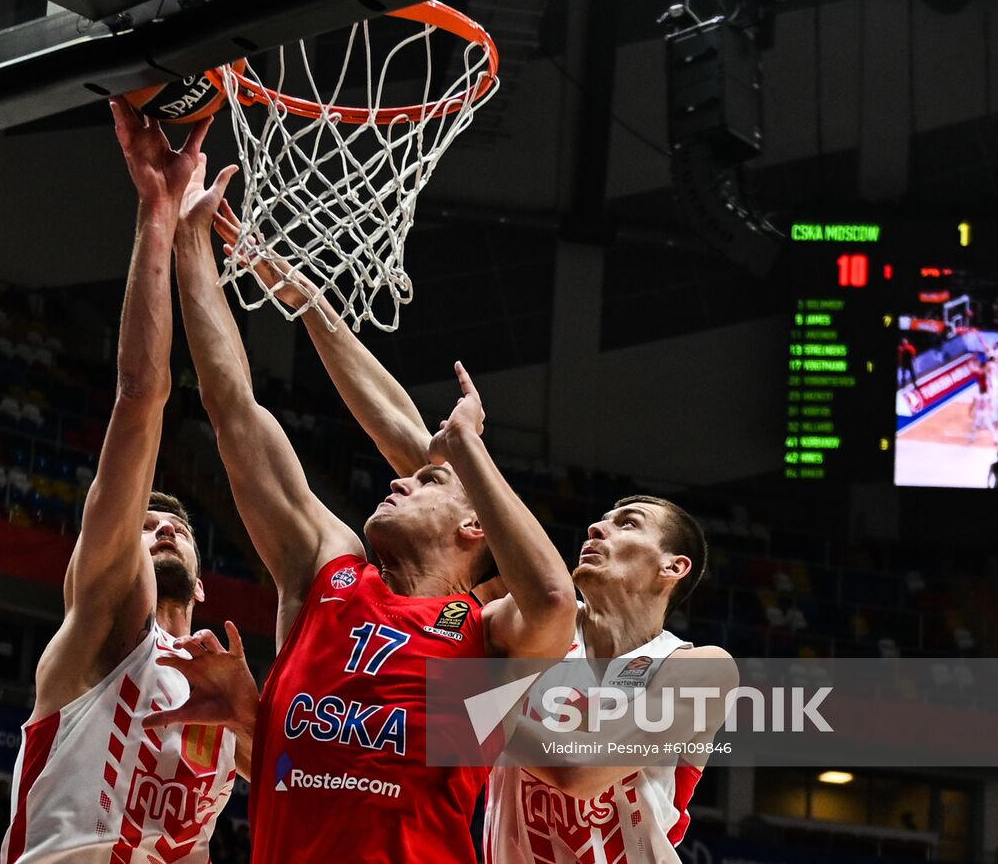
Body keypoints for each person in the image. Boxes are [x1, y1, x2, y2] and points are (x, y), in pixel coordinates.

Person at [182, 219, 729, 862]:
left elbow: (579, 770)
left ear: (674, 565)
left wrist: (415, 701)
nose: (597, 526)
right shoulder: (510, 621)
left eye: (628, 522)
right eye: (603, 517)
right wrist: (314, 308)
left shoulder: (696, 668)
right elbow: (423, 457)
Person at [164, 163, 577, 864]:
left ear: (475, 526)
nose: (399, 481)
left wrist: (465, 449)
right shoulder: (329, 571)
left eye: (426, 481)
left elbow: (553, 595)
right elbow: (232, 409)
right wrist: (189, 244)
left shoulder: (484, 645)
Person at [0, 105, 242, 864]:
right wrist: (159, 217)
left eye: (180, 526)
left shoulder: (226, 687)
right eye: (146, 523)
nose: (163, 527)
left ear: (203, 584)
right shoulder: (107, 614)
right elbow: (142, 393)